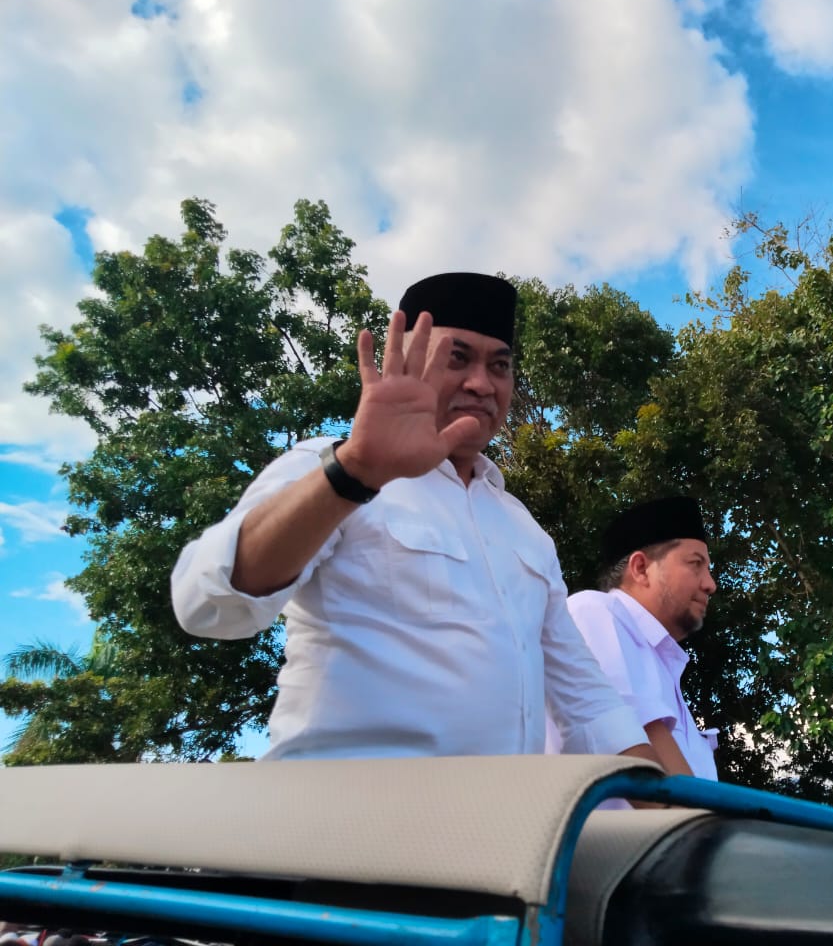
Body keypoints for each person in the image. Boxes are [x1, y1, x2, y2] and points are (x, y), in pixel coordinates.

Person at [171, 272, 652, 763]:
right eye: (456, 358)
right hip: (350, 806)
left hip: (501, 809)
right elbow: (205, 605)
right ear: (402, 360)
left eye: (500, 365)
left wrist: (672, 804)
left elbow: (588, 700)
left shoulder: (523, 528)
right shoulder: (330, 466)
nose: (481, 384)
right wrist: (355, 472)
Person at [547, 497, 719, 782]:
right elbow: (656, 770)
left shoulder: (661, 666)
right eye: (695, 564)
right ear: (640, 568)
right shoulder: (596, 611)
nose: (710, 584)